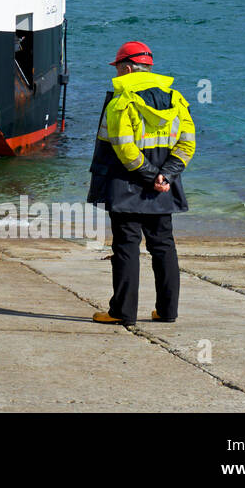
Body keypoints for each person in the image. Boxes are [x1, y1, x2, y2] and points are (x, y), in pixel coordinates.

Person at [88, 41, 196, 326]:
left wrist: (149, 175)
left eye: (118, 70)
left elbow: (124, 147)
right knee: (163, 245)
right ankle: (167, 310)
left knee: (126, 246)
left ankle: (122, 312)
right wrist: (166, 175)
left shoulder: (122, 99)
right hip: (162, 187)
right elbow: (187, 143)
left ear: (126, 68)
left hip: (127, 183)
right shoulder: (175, 98)